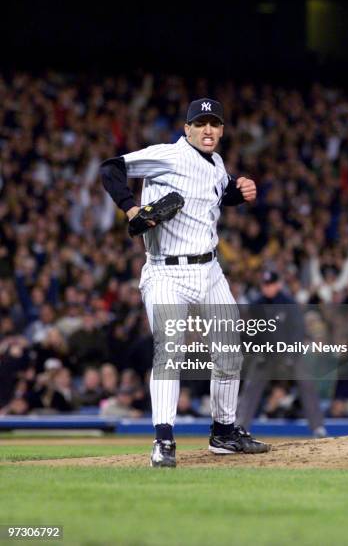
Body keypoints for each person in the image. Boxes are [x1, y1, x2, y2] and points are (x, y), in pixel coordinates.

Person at [101, 97, 269, 467]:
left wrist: (238, 192)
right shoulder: (168, 156)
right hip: (165, 271)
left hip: (209, 270)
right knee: (170, 349)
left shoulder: (216, 163)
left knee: (230, 349)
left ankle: (224, 433)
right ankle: (163, 440)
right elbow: (110, 169)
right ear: (187, 128)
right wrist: (132, 209)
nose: (208, 129)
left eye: (214, 123)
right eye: (201, 123)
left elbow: (217, 195)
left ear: (222, 130)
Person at [237, 269, 327, 438]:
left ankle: (318, 427)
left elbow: (297, 332)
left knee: (306, 383)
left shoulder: (289, 303)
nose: (267, 288)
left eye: (270, 284)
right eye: (265, 284)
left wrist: (291, 357)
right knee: (251, 386)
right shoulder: (256, 305)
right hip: (267, 355)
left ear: (278, 284)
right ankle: (241, 426)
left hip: (289, 353)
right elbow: (251, 333)